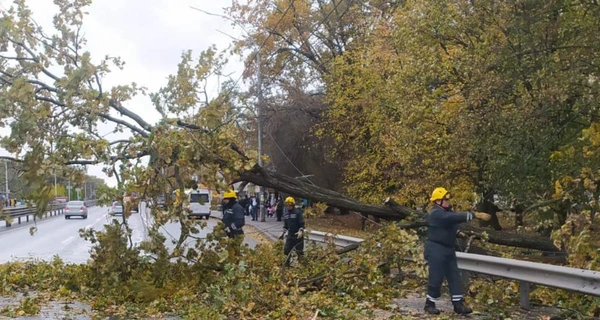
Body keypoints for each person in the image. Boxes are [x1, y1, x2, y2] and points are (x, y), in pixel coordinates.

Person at [424, 187, 492, 315]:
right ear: (438, 201)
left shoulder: (445, 212)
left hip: (448, 249)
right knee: (436, 277)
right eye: (445, 199)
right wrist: (474, 215)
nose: (448, 201)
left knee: (454, 276)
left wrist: (457, 232)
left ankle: (458, 305)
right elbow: (451, 218)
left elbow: (447, 225)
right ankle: (429, 304)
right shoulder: (435, 213)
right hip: (436, 249)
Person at [282, 196, 305, 266]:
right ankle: (287, 263)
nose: (288, 206)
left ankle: (302, 264)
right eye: (287, 205)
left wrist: (301, 230)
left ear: (293, 205)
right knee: (286, 250)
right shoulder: (286, 215)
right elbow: (285, 226)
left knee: (299, 251)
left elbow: (302, 223)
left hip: (298, 235)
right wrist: (283, 233)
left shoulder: (297, 213)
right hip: (290, 235)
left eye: (290, 205)